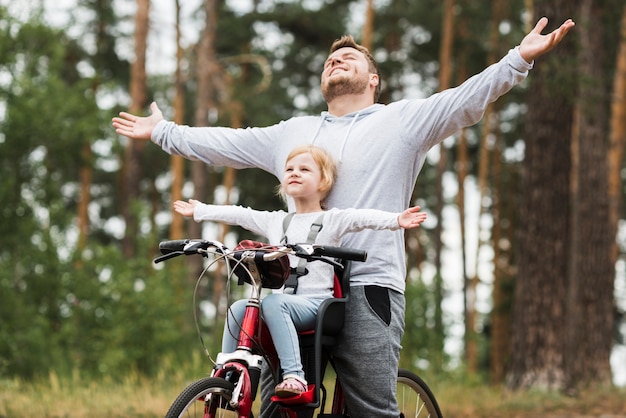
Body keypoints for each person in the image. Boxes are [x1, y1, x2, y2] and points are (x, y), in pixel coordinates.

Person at [112, 16, 574, 417]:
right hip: (294, 285)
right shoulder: (293, 132)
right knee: (279, 406)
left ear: (373, 79)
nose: (337, 62)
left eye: (350, 58)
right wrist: (164, 132)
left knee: (372, 406)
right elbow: (226, 143)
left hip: (369, 282)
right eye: (331, 60)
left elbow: (465, 100)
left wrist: (518, 59)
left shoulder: (402, 121)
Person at [173, 145, 427, 397]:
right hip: (285, 305)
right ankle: (226, 376)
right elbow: (241, 214)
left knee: (274, 304)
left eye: (304, 169)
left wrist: (396, 220)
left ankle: (295, 376)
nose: (295, 173)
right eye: (289, 169)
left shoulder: (332, 219)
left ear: (323, 181)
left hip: (318, 304)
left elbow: (361, 217)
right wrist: (200, 211)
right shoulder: (276, 221)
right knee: (238, 309)